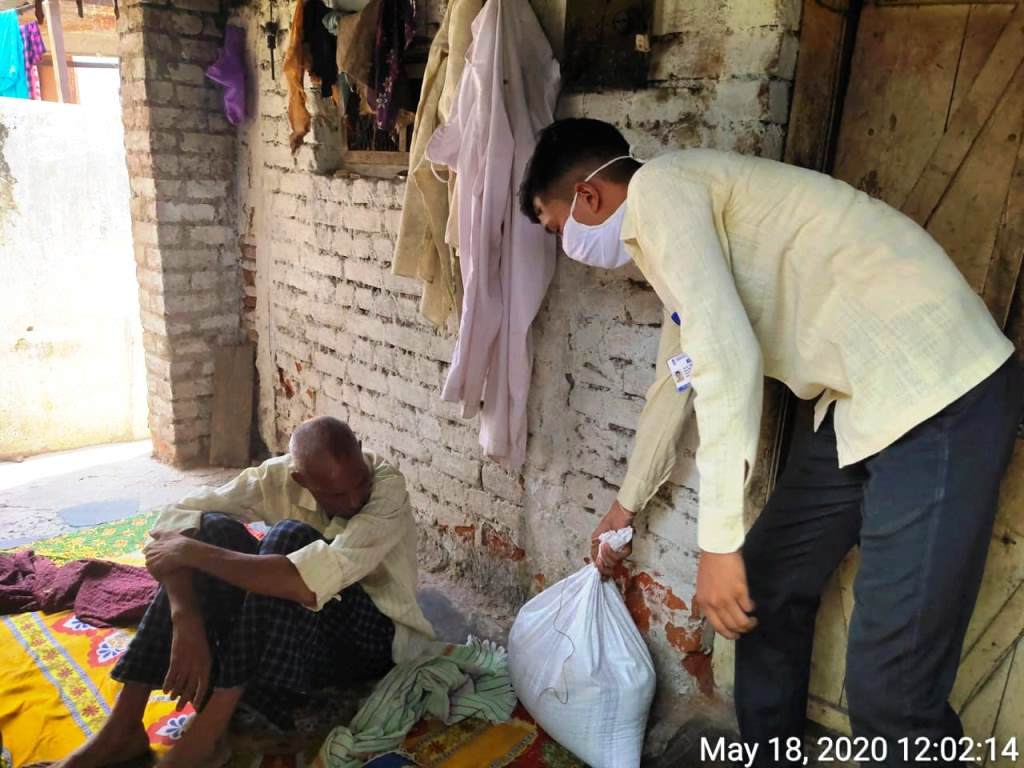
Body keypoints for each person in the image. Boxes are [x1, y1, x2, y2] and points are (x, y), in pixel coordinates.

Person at [520, 118, 1023, 765]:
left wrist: (717, 542)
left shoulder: (662, 192)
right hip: (863, 399)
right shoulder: (672, 222)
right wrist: (625, 505)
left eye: (556, 226)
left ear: (588, 197)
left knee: (891, 692)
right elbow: (679, 377)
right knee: (761, 588)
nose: (566, 244)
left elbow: (726, 357)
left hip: (938, 387)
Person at [53, 416, 435, 768]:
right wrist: (185, 619)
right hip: (301, 629)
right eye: (335, 495)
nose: (353, 501)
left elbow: (306, 581)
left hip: (372, 639)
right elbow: (176, 519)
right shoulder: (279, 476)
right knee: (211, 529)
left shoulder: (387, 489)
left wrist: (193, 553)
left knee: (286, 540)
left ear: (361, 452)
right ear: (300, 479)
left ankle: (209, 731)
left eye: (359, 484)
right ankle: (122, 727)